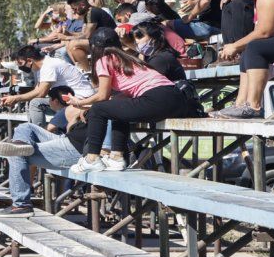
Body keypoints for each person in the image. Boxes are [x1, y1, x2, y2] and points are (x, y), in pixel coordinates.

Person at [66, 28, 192, 173]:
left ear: (95, 48)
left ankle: (92, 159)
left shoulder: (104, 59)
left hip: (156, 97)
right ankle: (117, 158)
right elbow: (117, 98)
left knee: (98, 109)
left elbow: (102, 96)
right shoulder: (129, 58)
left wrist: (79, 103)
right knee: (117, 110)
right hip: (175, 98)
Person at [0, 106, 128, 216]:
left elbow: (107, 145)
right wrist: (77, 117)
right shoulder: (101, 102)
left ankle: (21, 204)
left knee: (14, 153)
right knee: (25, 127)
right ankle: (22, 144)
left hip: (74, 151)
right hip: (65, 139)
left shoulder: (115, 105)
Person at [0, 45, 95, 126]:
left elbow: (40, 93)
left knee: (36, 103)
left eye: (20, 64)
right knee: (32, 102)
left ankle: (38, 136)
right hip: (68, 99)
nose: (20, 67)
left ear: (29, 61)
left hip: (82, 100)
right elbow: (37, 91)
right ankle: (33, 134)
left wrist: (16, 98)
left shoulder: (48, 66)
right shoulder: (40, 68)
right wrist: (13, 98)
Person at [64, 0, 117, 71]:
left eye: (75, 9)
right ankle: (86, 70)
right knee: (71, 46)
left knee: (74, 44)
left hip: (110, 42)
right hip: (101, 41)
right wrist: (68, 33)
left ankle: (88, 72)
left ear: (82, 5)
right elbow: (83, 33)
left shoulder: (93, 12)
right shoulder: (87, 14)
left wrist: (66, 37)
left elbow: (87, 35)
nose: (74, 12)